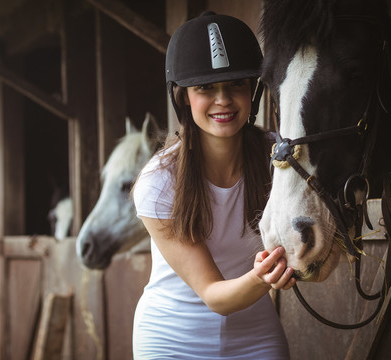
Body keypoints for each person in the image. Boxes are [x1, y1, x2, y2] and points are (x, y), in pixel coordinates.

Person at [131, 11, 295, 359]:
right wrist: (264, 277)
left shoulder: (279, 157)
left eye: (236, 84)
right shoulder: (159, 182)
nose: (223, 99)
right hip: (171, 340)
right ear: (183, 98)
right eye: (206, 87)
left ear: (253, 91)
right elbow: (213, 295)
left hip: (256, 335)